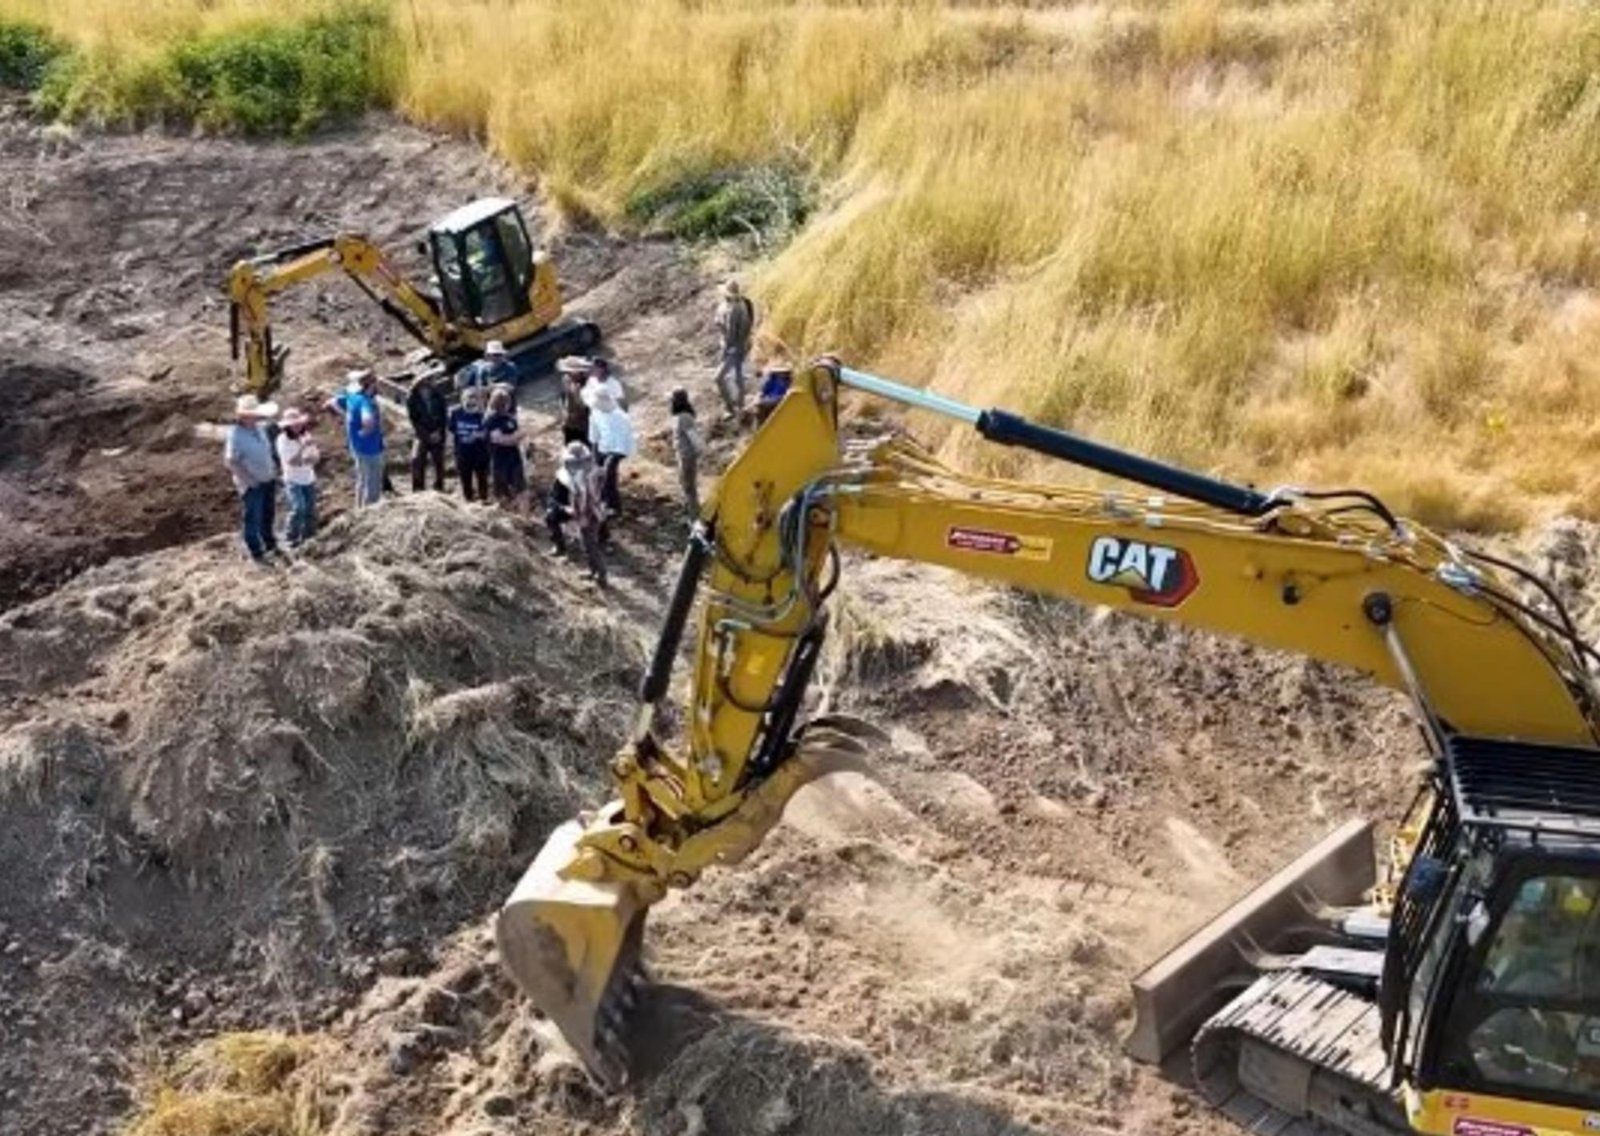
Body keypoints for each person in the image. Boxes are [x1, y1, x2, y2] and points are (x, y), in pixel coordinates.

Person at [224, 394, 281, 563]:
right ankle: (256, 551)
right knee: (253, 517)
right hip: (252, 484)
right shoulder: (236, 435)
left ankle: (270, 543)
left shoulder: (260, 429)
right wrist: (248, 480)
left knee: (268, 513)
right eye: (252, 415)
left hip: (268, 478)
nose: (255, 418)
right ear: (242, 416)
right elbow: (231, 461)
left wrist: (273, 469)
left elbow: (267, 451)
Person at [546, 441, 608, 587]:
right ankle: (593, 571)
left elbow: (594, 498)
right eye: (574, 462)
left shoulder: (593, 476)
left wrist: (584, 515)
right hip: (580, 512)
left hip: (591, 514)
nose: (577, 466)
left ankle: (601, 575)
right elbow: (554, 498)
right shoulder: (567, 476)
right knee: (586, 544)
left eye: (581, 462)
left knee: (590, 545)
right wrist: (566, 509)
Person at [587, 387, 636, 524]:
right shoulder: (595, 414)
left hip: (619, 449)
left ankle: (614, 506)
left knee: (609, 472)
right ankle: (601, 502)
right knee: (597, 474)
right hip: (603, 447)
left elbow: (624, 440)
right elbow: (594, 437)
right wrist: (595, 458)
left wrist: (614, 455)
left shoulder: (621, 417)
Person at [338, 369, 386, 508]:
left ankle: (359, 511)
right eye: (375, 383)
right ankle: (370, 512)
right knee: (373, 484)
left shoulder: (352, 397)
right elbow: (368, 421)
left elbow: (333, 402)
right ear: (371, 385)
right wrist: (366, 430)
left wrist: (350, 421)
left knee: (362, 480)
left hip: (356, 446)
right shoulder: (365, 402)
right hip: (370, 448)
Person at [275, 407, 320, 548]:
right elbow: (291, 461)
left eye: (299, 424)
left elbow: (315, 457)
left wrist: (310, 455)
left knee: (310, 509)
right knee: (298, 508)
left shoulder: (306, 435)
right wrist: (303, 449)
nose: (297, 426)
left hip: (309, 478)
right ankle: (290, 537)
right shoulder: (282, 440)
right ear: (287, 426)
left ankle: (309, 537)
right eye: (294, 424)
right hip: (293, 479)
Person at [713, 278, 755, 418]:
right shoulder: (730, 305)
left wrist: (728, 349)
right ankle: (739, 407)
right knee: (737, 376)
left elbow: (735, 333)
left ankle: (732, 407)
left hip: (735, 348)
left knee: (720, 378)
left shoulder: (737, 308)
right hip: (733, 347)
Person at [405, 368, 449, 493]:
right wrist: (426, 435)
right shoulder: (412, 397)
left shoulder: (438, 395)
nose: (429, 382)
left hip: (437, 431)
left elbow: (443, 416)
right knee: (416, 459)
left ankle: (439, 487)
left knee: (438, 461)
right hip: (421, 433)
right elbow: (414, 420)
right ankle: (418, 489)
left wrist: (439, 432)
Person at [485, 387, 529, 513]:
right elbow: (500, 439)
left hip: (514, 459)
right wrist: (516, 437)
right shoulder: (491, 420)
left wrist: (518, 438)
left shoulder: (511, 419)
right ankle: (506, 516)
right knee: (502, 492)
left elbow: (518, 436)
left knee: (521, 490)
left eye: (505, 402)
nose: (504, 406)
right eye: (501, 403)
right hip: (499, 460)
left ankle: (525, 516)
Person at [449, 386, 491, 502]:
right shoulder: (455, 412)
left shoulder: (484, 414)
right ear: (462, 399)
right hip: (462, 451)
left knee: (482, 478)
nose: (471, 400)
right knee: (465, 477)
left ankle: (483, 500)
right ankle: (468, 500)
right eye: (469, 397)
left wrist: (479, 435)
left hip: (480, 451)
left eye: (475, 397)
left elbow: (488, 432)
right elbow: (451, 430)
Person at [669, 387, 703, 518]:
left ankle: (695, 516)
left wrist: (700, 451)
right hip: (683, 455)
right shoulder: (679, 417)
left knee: (689, 488)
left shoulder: (684, 418)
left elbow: (694, 437)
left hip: (687, 456)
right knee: (685, 485)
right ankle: (689, 511)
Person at [457, 340, 518, 406]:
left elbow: (511, 387)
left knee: (499, 393)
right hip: (488, 399)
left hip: (505, 400)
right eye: (494, 355)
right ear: (488, 356)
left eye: (499, 355)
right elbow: (481, 387)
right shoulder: (484, 369)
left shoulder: (510, 367)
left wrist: (493, 387)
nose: (497, 358)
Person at [558, 357, 591, 447]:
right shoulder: (566, 379)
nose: (569, 373)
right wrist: (564, 415)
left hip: (584, 424)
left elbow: (587, 406)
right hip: (570, 422)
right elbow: (563, 397)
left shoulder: (588, 384)